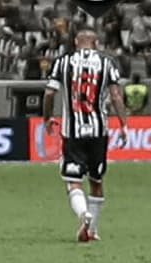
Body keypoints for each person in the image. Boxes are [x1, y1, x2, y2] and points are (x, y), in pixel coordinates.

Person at [43, 28, 128, 242]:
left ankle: (83, 215)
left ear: (75, 42)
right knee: (96, 181)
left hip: (73, 131)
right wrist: (124, 124)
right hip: (99, 130)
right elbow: (116, 95)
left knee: (73, 181)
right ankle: (93, 230)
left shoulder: (63, 62)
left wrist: (46, 118)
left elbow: (49, 92)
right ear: (96, 42)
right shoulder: (107, 62)